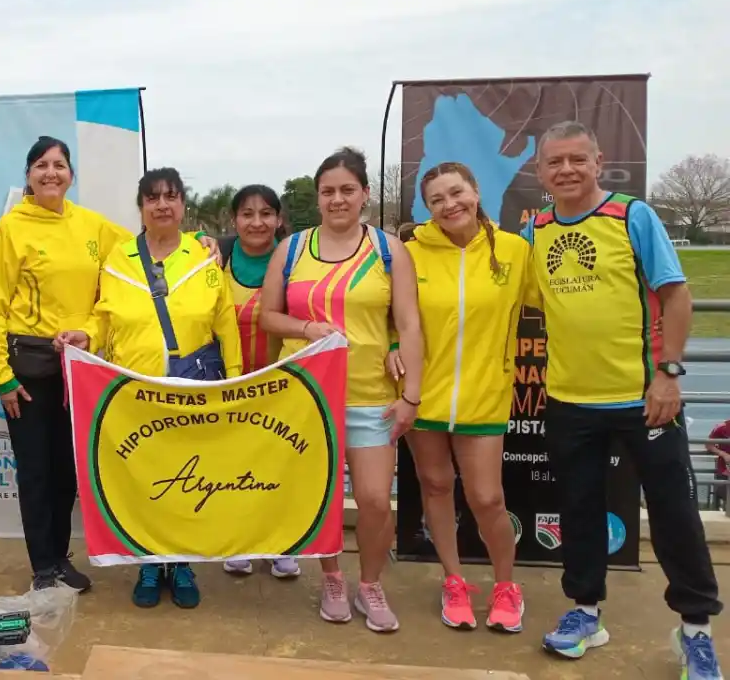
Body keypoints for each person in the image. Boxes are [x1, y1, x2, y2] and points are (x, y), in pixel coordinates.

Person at [0, 137, 221, 593]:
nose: (51, 173)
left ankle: (61, 558)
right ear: (28, 175)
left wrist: (204, 242)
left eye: (60, 165)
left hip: (81, 367)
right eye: (41, 165)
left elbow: (151, 244)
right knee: (35, 470)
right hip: (27, 369)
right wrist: (2, 377)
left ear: (71, 175)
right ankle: (43, 568)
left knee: (69, 469)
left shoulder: (92, 227)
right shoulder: (12, 229)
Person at [526, 121, 722, 678]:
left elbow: (676, 295)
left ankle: (695, 632)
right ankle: (586, 613)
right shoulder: (535, 231)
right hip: (567, 400)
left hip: (644, 400)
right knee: (579, 512)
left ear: (598, 161)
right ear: (540, 172)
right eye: (554, 162)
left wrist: (668, 375)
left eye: (576, 160)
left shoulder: (632, 215)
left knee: (675, 516)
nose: (566, 170)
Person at [57, 167, 243, 610]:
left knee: (187, 480)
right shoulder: (119, 258)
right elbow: (103, 316)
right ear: (141, 207)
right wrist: (85, 336)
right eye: (153, 198)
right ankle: (146, 561)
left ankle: (180, 563)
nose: (162, 205)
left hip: (192, 387)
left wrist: (234, 378)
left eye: (171, 197)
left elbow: (225, 322)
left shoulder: (204, 256)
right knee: (143, 481)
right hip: (133, 390)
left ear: (183, 205)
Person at [259, 147, 423, 633]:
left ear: (365, 194)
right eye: (327, 191)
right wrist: (308, 329)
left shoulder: (390, 249)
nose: (336, 199)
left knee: (374, 500)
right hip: (306, 396)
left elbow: (410, 325)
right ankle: (331, 577)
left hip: (371, 393)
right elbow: (267, 315)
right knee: (322, 497)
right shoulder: (290, 249)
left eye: (346, 189)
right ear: (317, 197)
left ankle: (370, 584)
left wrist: (411, 393)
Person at [399, 162, 531, 633]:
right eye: (437, 199)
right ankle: (453, 581)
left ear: (475, 193)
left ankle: (505, 587)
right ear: (426, 208)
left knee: (486, 497)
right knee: (435, 487)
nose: (449, 204)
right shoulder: (410, 253)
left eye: (457, 193)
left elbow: (556, 303)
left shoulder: (515, 251)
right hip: (423, 398)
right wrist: (395, 353)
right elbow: (390, 315)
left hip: (484, 396)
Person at [216, 184, 301, 581]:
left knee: (278, 463)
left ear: (279, 219)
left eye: (266, 213)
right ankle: (239, 539)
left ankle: (283, 542)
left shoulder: (294, 262)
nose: (257, 222)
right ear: (234, 220)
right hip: (227, 381)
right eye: (247, 214)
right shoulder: (217, 259)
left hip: (278, 384)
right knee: (234, 465)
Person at [707, 418, 730, 512]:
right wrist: (723, 454)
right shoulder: (722, 427)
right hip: (724, 471)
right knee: (725, 496)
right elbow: (708, 445)